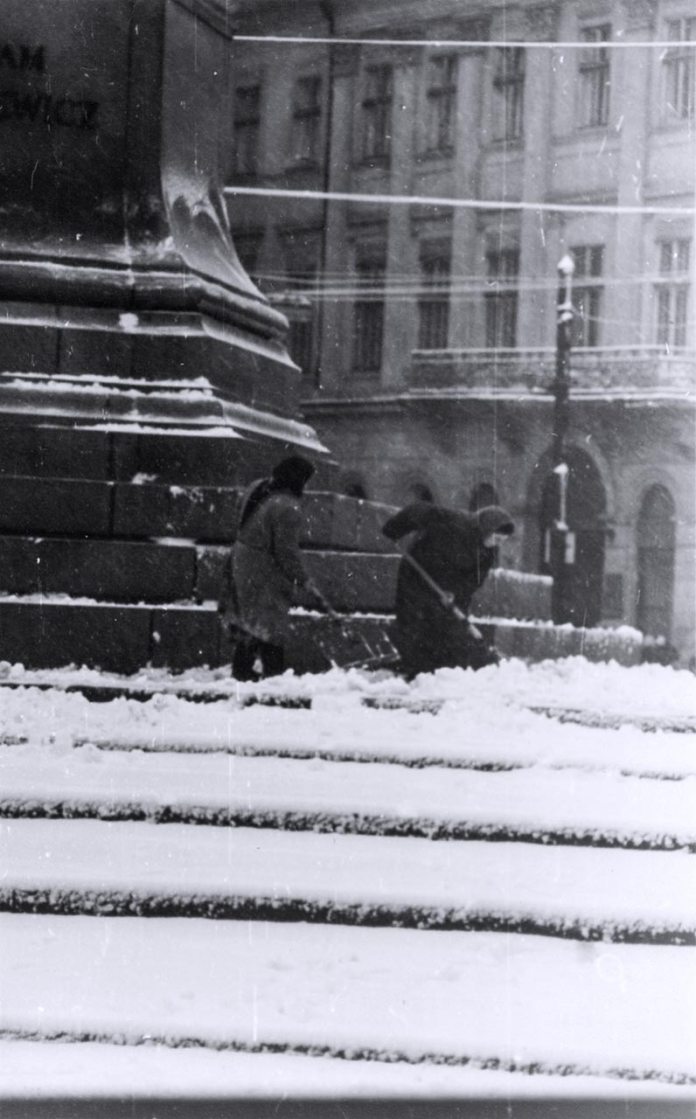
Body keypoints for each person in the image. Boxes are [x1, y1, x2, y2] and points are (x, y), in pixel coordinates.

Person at [382, 501, 515, 678]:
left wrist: (455, 593)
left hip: (445, 590)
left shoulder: (487, 553)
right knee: (414, 622)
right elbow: (418, 510)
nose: (497, 544)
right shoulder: (455, 522)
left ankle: (437, 668)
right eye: (496, 539)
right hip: (417, 575)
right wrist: (394, 529)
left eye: (501, 541)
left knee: (450, 629)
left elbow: (473, 582)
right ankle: (415, 668)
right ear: (487, 529)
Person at [224, 455, 318, 680]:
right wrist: (304, 579)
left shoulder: (257, 486)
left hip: (241, 560)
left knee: (250, 619)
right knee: (271, 622)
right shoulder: (288, 507)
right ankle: (273, 674)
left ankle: (243, 669)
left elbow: (239, 513)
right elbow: (286, 551)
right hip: (264, 568)